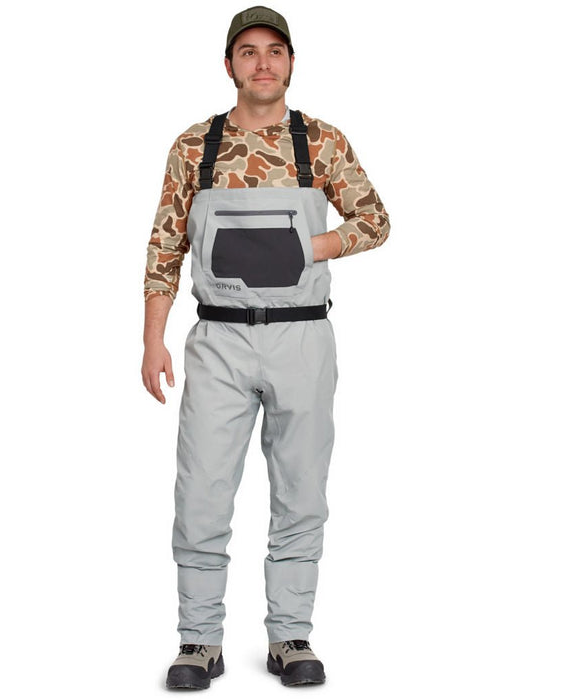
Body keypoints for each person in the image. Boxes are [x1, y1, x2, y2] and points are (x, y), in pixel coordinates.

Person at [142, 5, 390, 690]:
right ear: (229, 65)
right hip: (218, 338)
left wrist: (314, 245)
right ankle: (198, 641)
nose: (262, 62)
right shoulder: (195, 146)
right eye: (248, 51)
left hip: (302, 336)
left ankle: (290, 637)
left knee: (301, 490)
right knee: (201, 491)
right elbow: (165, 244)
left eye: (274, 51)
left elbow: (374, 220)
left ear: (290, 62)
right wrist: (153, 339)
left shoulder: (322, 142)